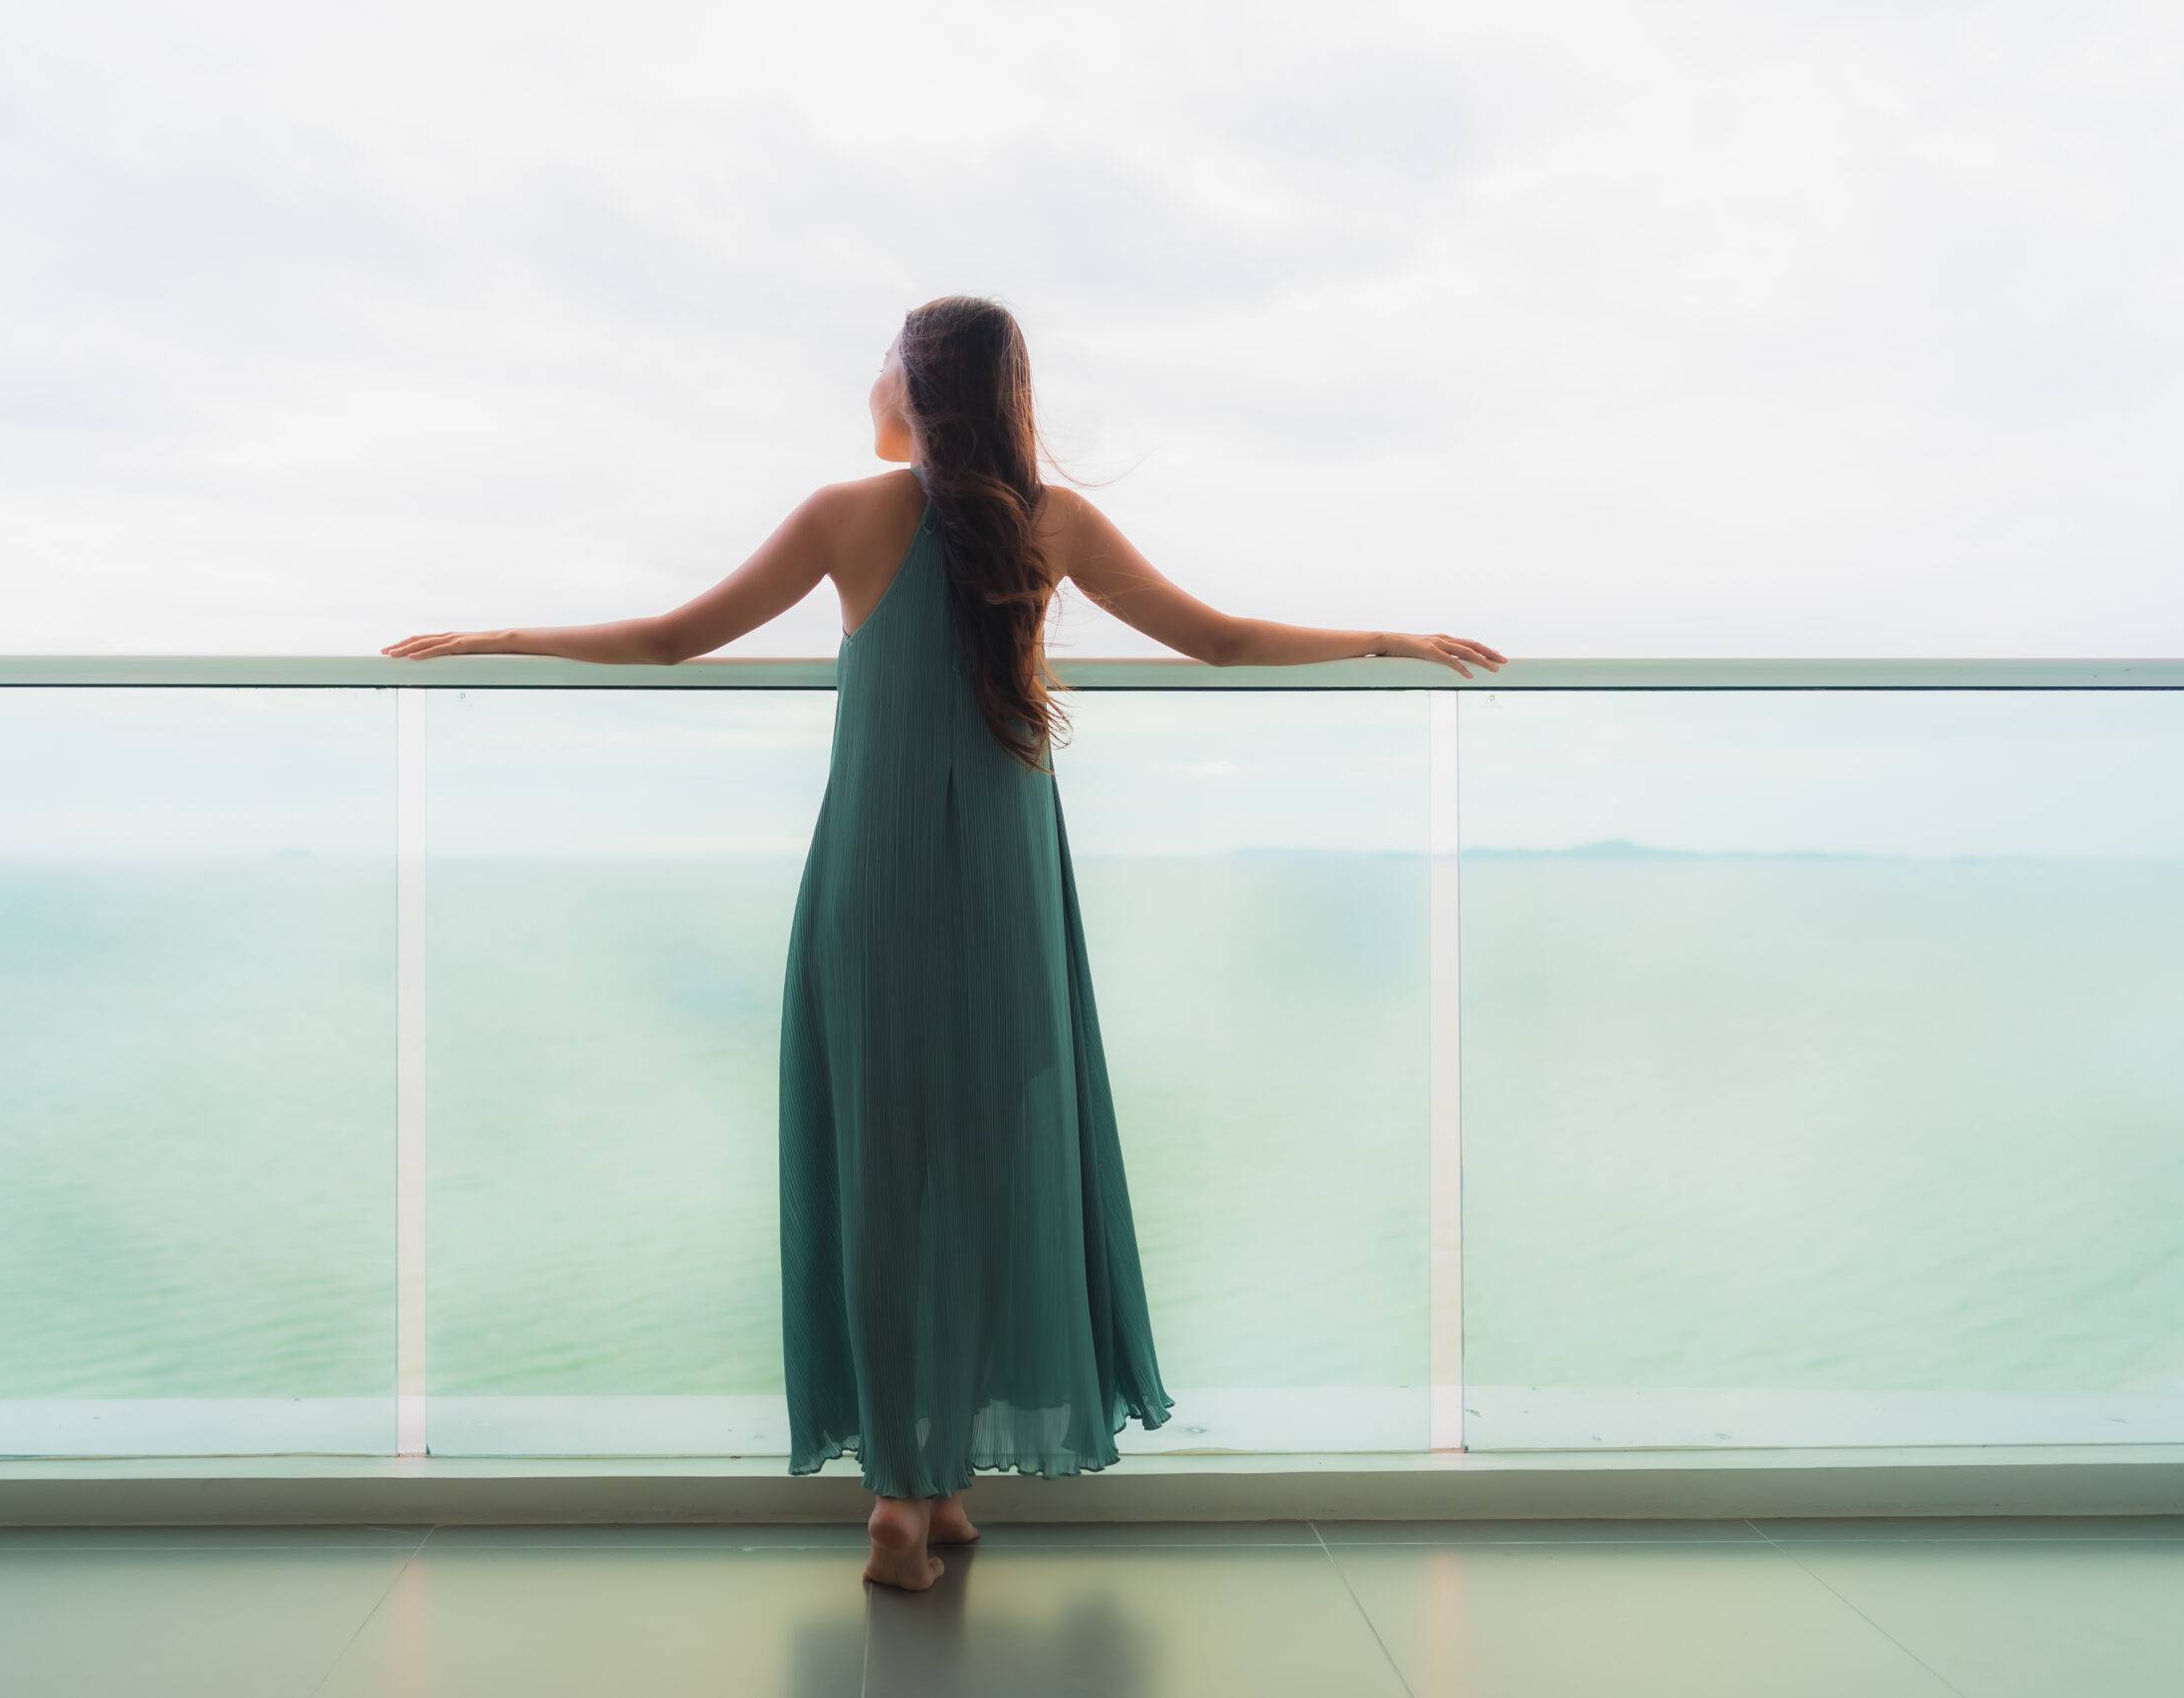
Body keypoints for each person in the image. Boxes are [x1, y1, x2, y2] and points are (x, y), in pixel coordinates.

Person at [385, 294, 1505, 1591]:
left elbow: (672, 638)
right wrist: (1385, 637)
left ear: (916, 389)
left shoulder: (843, 516)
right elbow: (1220, 641)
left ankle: (906, 1497)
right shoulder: (1054, 521)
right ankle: (940, 1482)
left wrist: (502, 635)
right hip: (1008, 885)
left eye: (882, 365)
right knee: (992, 1161)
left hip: (877, 876)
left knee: (883, 1172)